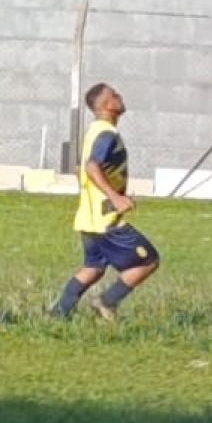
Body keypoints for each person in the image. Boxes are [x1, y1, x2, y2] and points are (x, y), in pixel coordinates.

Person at [50, 83, 159, 321]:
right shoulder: (108, 134)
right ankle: (107, 301)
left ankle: (59, 314)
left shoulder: (95, 131)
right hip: (105, 220)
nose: (120, 97)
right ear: (106, 105)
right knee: (149, 261)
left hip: (89, 218)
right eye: (114, 95)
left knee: (94, 268)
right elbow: (91, 167)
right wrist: (115, 197)